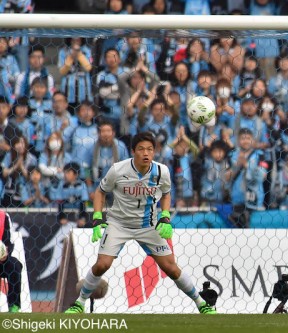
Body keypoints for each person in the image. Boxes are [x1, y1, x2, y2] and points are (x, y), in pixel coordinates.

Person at [65, 131, 216, 314]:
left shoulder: (161, 171)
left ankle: (201, 304)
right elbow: (100, 192)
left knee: (171, 268)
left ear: (154, 152)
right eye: (141, 149)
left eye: (150, 150)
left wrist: (165, 217)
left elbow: (166, 194)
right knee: (102, 264)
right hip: (118, 224)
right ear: (133, 151)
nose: (146, 153)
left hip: (148, 225)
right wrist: (97, 220)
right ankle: (79, 303)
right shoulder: (118, 169)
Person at [0, 210, 23, 312]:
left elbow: (8, 241)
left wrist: (5, 254)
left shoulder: (3, 216)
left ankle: (14, 305)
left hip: (1, 260)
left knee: (15, 266)